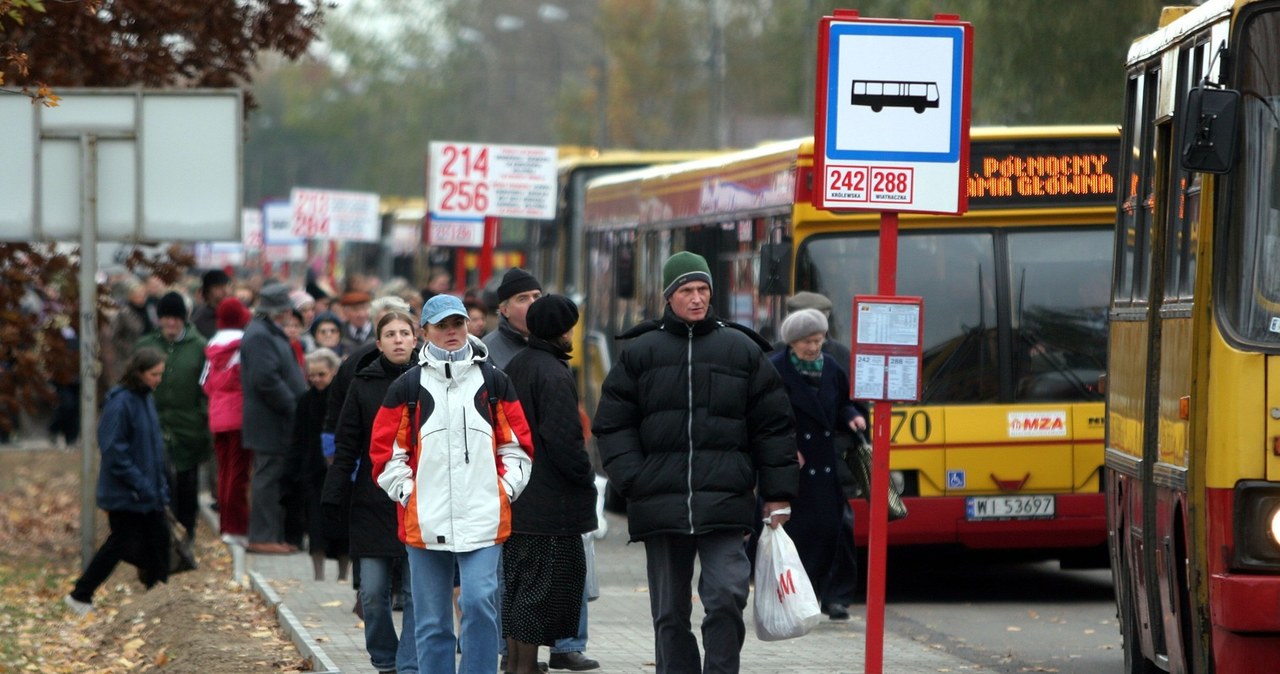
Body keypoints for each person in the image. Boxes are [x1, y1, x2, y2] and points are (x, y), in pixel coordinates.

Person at [592, 251, 798, 674]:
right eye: (686, 290)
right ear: (669, 297)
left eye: (703, 289)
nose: (697, 298)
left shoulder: (740, 349)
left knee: (725, 596)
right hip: (660, 502)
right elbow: (612, 424)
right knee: (669, 613)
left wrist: (777, 495)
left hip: (725, 502)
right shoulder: (641, 352)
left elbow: (773, 426)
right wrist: (635, 479)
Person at [372, 294, 534, 674]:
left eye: (457, 324)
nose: (451, 332)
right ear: (424, 332)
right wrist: (410, 494)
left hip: (484, 517)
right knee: (431, 622)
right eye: (442, 326)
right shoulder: (407, 387)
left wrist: (504, 491)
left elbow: (519, 447)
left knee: (479, 604)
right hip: (424, 521)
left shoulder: (495, 381)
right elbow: (384, 454)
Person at [502, 296, 599, 674]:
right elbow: (564, 440)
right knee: (538, 595)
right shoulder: (554, 374)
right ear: (561, 330)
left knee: (519, 590)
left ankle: (514, 663)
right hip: (549, 507)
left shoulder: (517, 365)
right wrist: (584, 475)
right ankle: (522, 668)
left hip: (518, 498)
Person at [322, 311, 421, 674]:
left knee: (417, 594)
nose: (398, 340)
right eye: (390, 334)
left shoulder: (430, 380)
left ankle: (409, 664)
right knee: (374, 594)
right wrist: (333, 493)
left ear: (416, 339)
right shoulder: (363, 384)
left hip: (420, 501)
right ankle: (385, 659)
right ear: (378, 343)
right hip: (372, 499)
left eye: (404, 333)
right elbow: (347, 444)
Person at [770, 308, 865, 622]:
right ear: (793, 342)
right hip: (792, 469)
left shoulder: (833, 368)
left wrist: (852, 417)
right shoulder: (775, 369)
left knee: (833, 532)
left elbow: (843, 404)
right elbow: (765, 418)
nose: (813, 347)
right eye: (807, 341)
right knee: (798, 535)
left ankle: (835, 597)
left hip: (826, 466)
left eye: (819, 340)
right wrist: (786, 448)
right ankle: (798, 598)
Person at [65, 347, 171, 617]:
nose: (158, 379)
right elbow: (113, 449)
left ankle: (156, 599)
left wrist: (158, 486)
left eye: (160, 374)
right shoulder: (121, 402)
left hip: (146, 492)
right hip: (127, 494)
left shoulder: (145, 399)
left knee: (158, 545)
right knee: (124, 545)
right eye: (153, 374)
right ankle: (81, 594)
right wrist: (140, 484)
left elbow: (151, 448)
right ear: (138, 373)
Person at [136, 291, 212, 543]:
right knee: (159, 480)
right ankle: (160, 534)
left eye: (175, 318)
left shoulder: (200, 346)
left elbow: (207, 385)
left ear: (184, 319)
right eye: (166, 318)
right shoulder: (146, 345)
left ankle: (186, 533)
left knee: (187, 485)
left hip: (189, 427)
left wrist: (201, 415)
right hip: (154, 424)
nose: (170, 324)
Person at [241, 282, 308, 554]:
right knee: (267, 479)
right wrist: (293, 405)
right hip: (271, 421)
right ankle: (262, 536)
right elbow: (265, 379)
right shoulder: (259, 335)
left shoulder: (267, 332)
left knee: (273, 477)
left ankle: (272, 534)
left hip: (277, 420)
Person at [202, 297, 253, 546]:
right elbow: (248, 379)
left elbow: (204, 383)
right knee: (239, 473)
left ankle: (225, 524)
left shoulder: (212, 346)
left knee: (224, 471)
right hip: (240, 417)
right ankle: (236, 527)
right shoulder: (242, 346)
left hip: (217, 417)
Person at [296, 348, 349, 582]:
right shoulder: (305, 400)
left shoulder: (343, 398)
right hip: (313, 473)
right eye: (312, 375)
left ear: (333, 372)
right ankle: (318, 577)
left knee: (341, 528)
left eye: (321, 374)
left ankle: (342, 576)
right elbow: (298, 436)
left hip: (338, 471)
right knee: (315, 527)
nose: (316, 379)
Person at [483, 268, 542, 369]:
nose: (533, 303)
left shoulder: (554, 341)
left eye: (536, 296)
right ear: (505, 310)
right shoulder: (486, 350)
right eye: (522, 299)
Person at [192, 269, 232, 339]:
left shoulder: (234, 312)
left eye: (227, 286)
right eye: (219, 287)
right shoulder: (200, 319)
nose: (225, 291)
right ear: (208, 291)